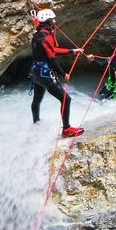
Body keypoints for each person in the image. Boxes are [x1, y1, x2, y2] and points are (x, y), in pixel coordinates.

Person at [29, 9, 84, 138]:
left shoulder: (37, 36)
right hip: (44, 74)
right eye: (53, 20)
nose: (55, 22)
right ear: (48, 22)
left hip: (35, 73)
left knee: (37, 100)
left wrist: (72, 51)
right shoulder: (47, 37)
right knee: (66, 99)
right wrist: (63, 73)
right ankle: (66, 129)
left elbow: (52, 50)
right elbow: (52, 58)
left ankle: (36, 124)